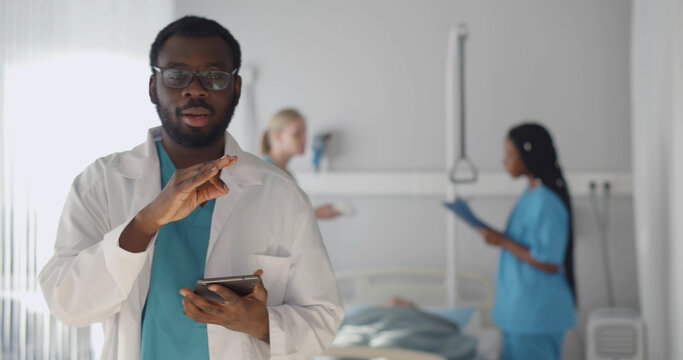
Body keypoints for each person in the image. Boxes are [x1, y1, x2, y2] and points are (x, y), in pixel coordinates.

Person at [38, 16, 343, 360]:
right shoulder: (102, 182)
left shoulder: (281, 194)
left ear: (236, 88)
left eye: (214, 76)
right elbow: (67, 304)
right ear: (153, 86)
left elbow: (323, 319)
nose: (195, 88)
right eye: (176, 74)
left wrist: (260, 323)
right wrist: (146, 222)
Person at [477, 123, 576, 360]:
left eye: (510, 155)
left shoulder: (546, 201)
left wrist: (502, 241)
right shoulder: (531, 194)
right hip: (521, 312)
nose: (504, 161)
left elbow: (549, 261)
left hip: (535, 314)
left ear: (528, 154)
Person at [260, 108, 341, 219]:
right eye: (297, 134)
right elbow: (271, 218)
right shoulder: (265, 171)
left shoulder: (284, 173)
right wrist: (315, 214)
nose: (304, 139)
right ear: (277, 136)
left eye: (304, 133)